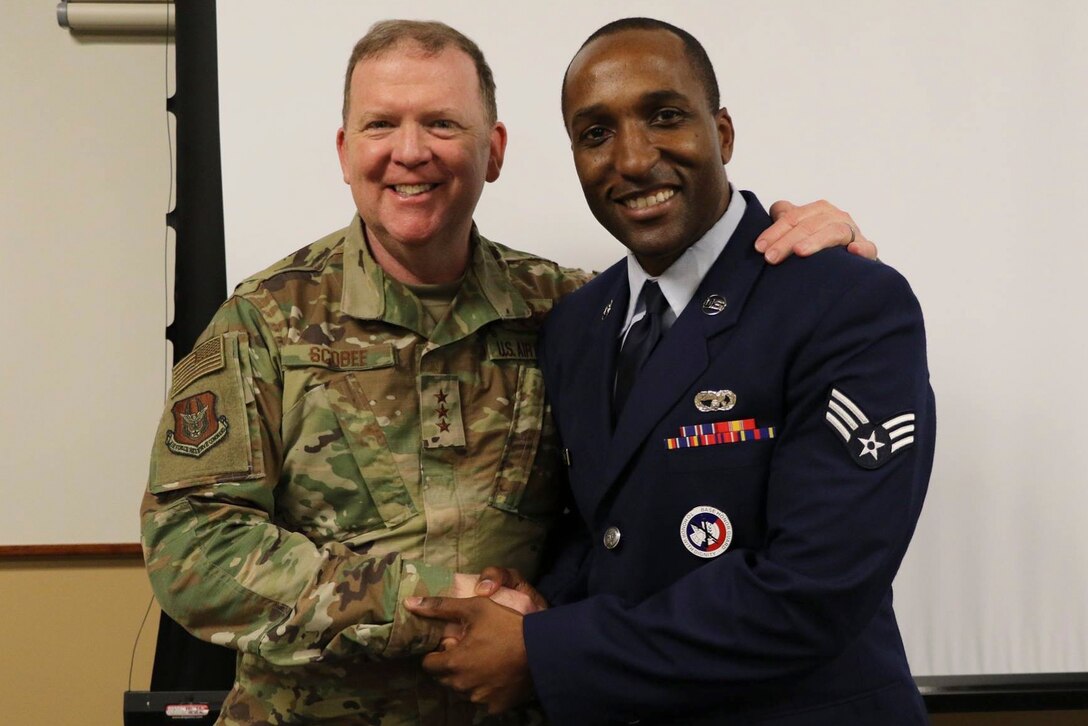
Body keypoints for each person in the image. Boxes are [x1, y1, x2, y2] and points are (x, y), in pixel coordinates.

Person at [141, 18, 876, 726]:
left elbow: (647, 484)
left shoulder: (573, 313)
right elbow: (190, 547)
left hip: (525, 708)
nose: (410, 152)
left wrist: (819, 252)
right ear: (344, 150)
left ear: (492, 151)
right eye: (380, 125)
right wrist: (432, 601)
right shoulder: (264, 321)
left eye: (442, 124)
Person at [406, 17, 935, 726]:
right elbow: (611, 531)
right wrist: (536, 599)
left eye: (665, 116)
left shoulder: (844, 300)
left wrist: (545, 652)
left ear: (723, 132)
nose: (631, 159)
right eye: (596, 133)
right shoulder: (577, 325)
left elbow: (815, 590)